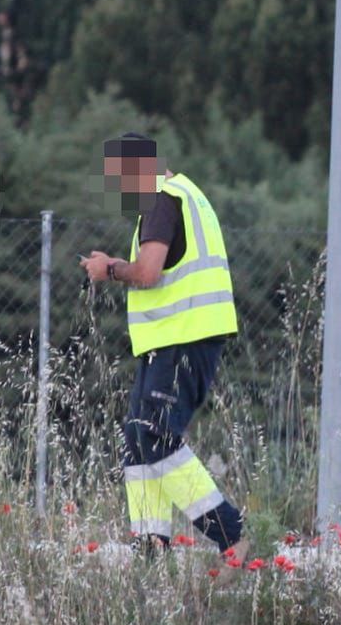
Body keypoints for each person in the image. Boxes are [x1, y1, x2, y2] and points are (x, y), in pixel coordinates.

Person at [79, 133, 244, 556]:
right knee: (138, 437)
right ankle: (151, 547)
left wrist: (109, 269)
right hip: (179, 337)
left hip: (182, 338)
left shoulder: (159, 200)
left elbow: (148, 272)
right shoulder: (186, 195)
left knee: (154, 437)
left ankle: (233, 536)